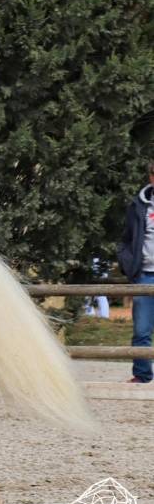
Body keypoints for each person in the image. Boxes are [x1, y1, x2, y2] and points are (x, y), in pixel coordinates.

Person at [117, 161, 154, 383]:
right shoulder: (139, 205)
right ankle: (142, 375)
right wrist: (127, 263)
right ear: (150, 176)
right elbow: (126, 239)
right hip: (145, 276)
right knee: (141, 331)